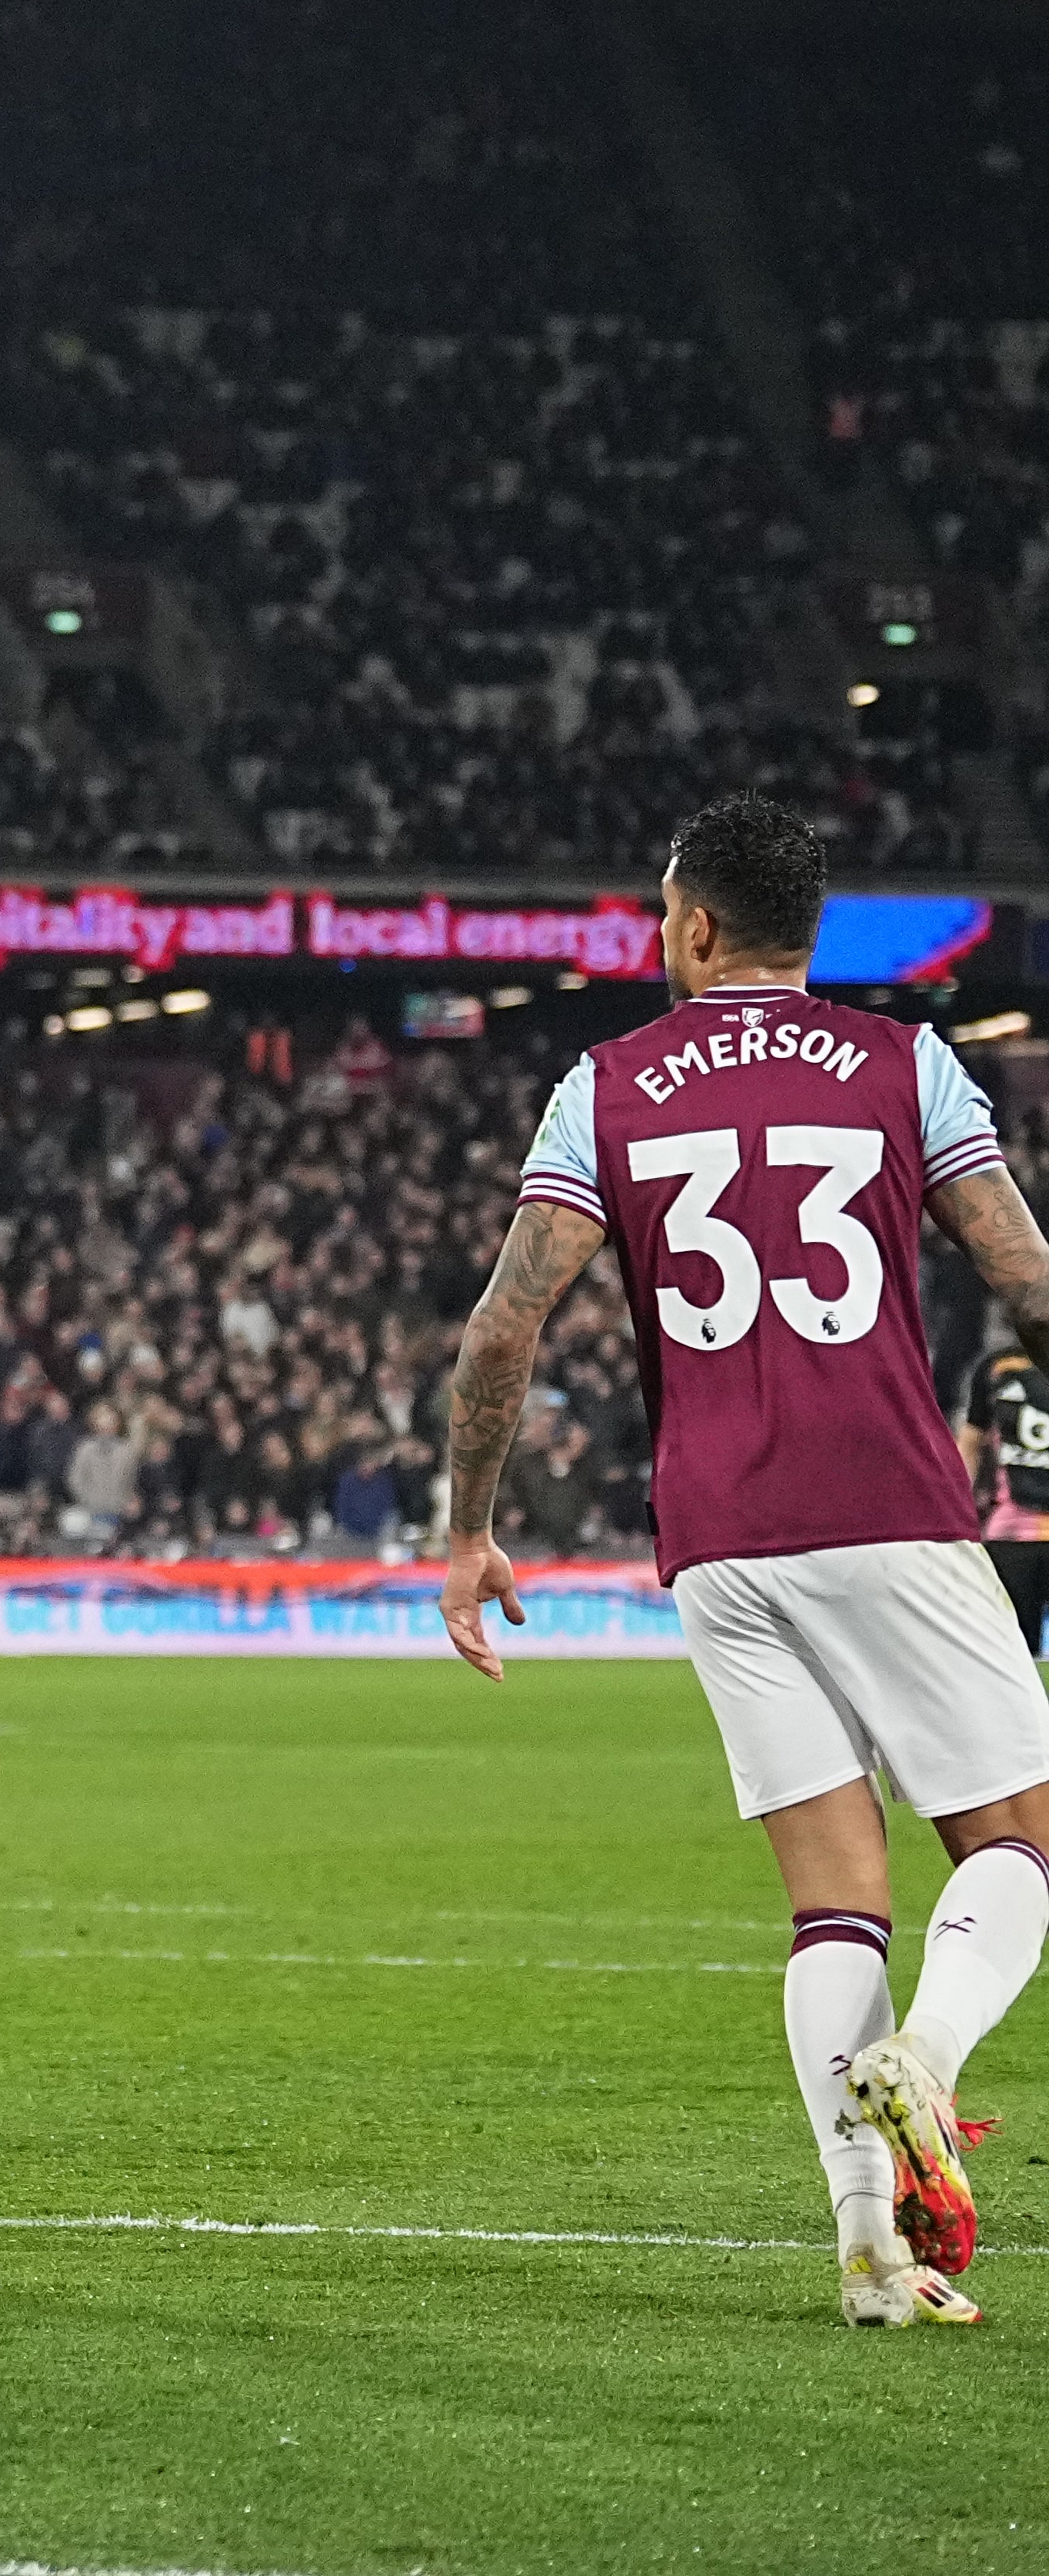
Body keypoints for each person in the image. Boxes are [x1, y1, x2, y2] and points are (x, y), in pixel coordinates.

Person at [439, 792, 1049, 2330]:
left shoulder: (607, 1087)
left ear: (696, 923)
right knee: (1019, 1840)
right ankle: (929, 2062)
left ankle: (867, 2254)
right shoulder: (905, 1064)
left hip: (716, 1537)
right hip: (891, 1500)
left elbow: (507, 1323)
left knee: (835, 1901)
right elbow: (1023, 1275)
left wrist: (466, 1533)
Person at [958, 1336, 1049, 1654]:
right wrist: (958, 1509)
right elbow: (970, 1442)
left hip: (1010, 1534)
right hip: (1010, 1534)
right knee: (1014, 1653)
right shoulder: (1000, 1366)